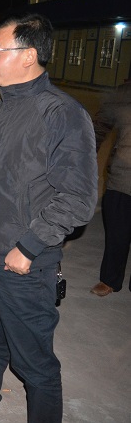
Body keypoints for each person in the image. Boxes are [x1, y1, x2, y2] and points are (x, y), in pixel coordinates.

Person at [0, 13, 98, 422]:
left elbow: (78, 197)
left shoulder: (62, 114)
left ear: (29, 55)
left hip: (25, 261)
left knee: (35, 361)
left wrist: (29, 247)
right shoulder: (1, 110)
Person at [90, 81, 131, 297]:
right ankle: (110, 279)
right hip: (122, 177)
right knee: (117, 232)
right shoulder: (124, 93)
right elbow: (98, 127)